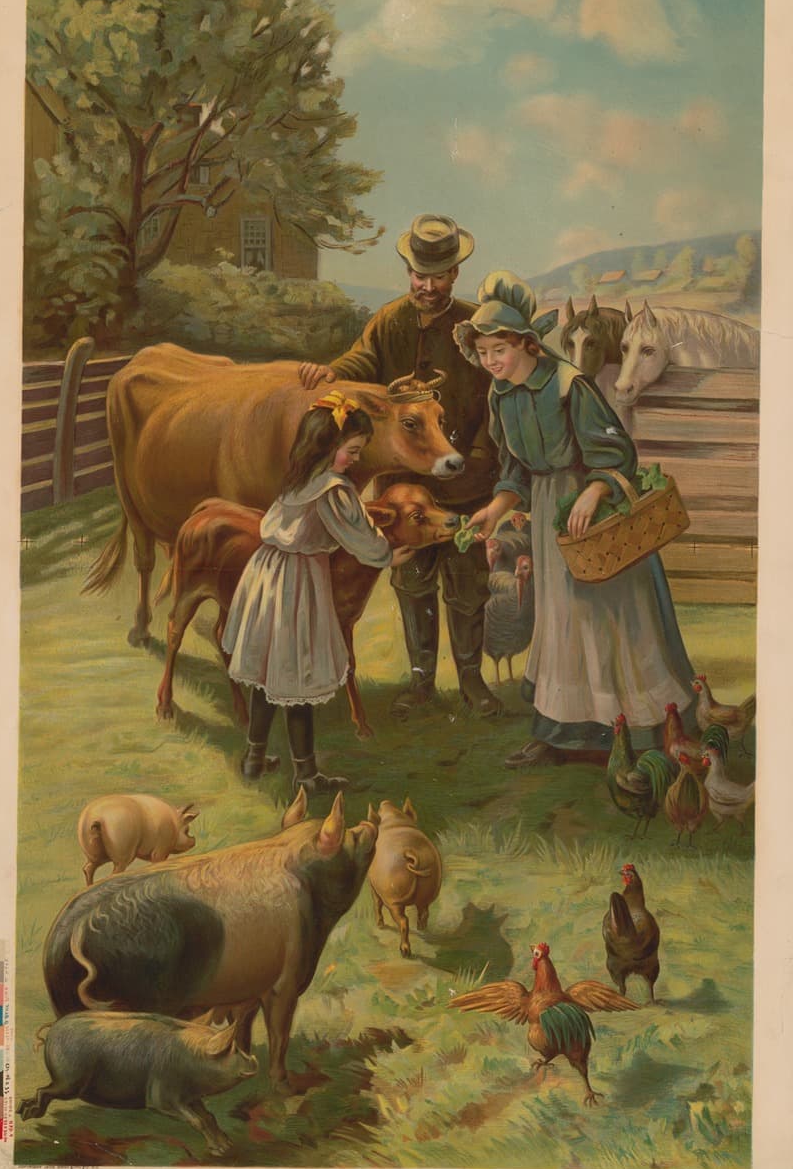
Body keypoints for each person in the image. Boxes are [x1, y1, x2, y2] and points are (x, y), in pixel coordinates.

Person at [455, 296, 697, 767]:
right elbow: (514, 470)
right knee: (561, 619)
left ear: (526, 344)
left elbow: (615, 452)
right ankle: (558, 731)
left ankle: (634, 729)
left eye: (497, 351)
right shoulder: (499, 395)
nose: (490, 363)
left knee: (603, 616)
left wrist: (593, 492)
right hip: (548, 511)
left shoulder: (570, 385)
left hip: (592, 514)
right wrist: (495, 509)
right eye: (482, 354)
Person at [298, 214, 501, 720]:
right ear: (408, 270)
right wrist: (331, 372)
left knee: (468, 586)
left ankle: (473, 682)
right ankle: (420, 683)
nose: (426, 286)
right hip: (404, 493)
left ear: (455, 274)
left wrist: (477, 462)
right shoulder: (389, 321)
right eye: (418, 274)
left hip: (466, 485)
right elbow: (360, 363)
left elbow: (492, 399)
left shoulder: (476, 327)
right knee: (411, 584)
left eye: (436, 276)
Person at [221, 391, 413, 793]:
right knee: (297, 679)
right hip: (296, 583)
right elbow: (360, 535)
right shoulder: (333, 489)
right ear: (329, 447)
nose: (356, 460)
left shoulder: (298, 480)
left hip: (267, 576)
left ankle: (255, 757)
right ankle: (307, 775)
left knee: (266, 674)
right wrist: (386, 556)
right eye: (353, 451)